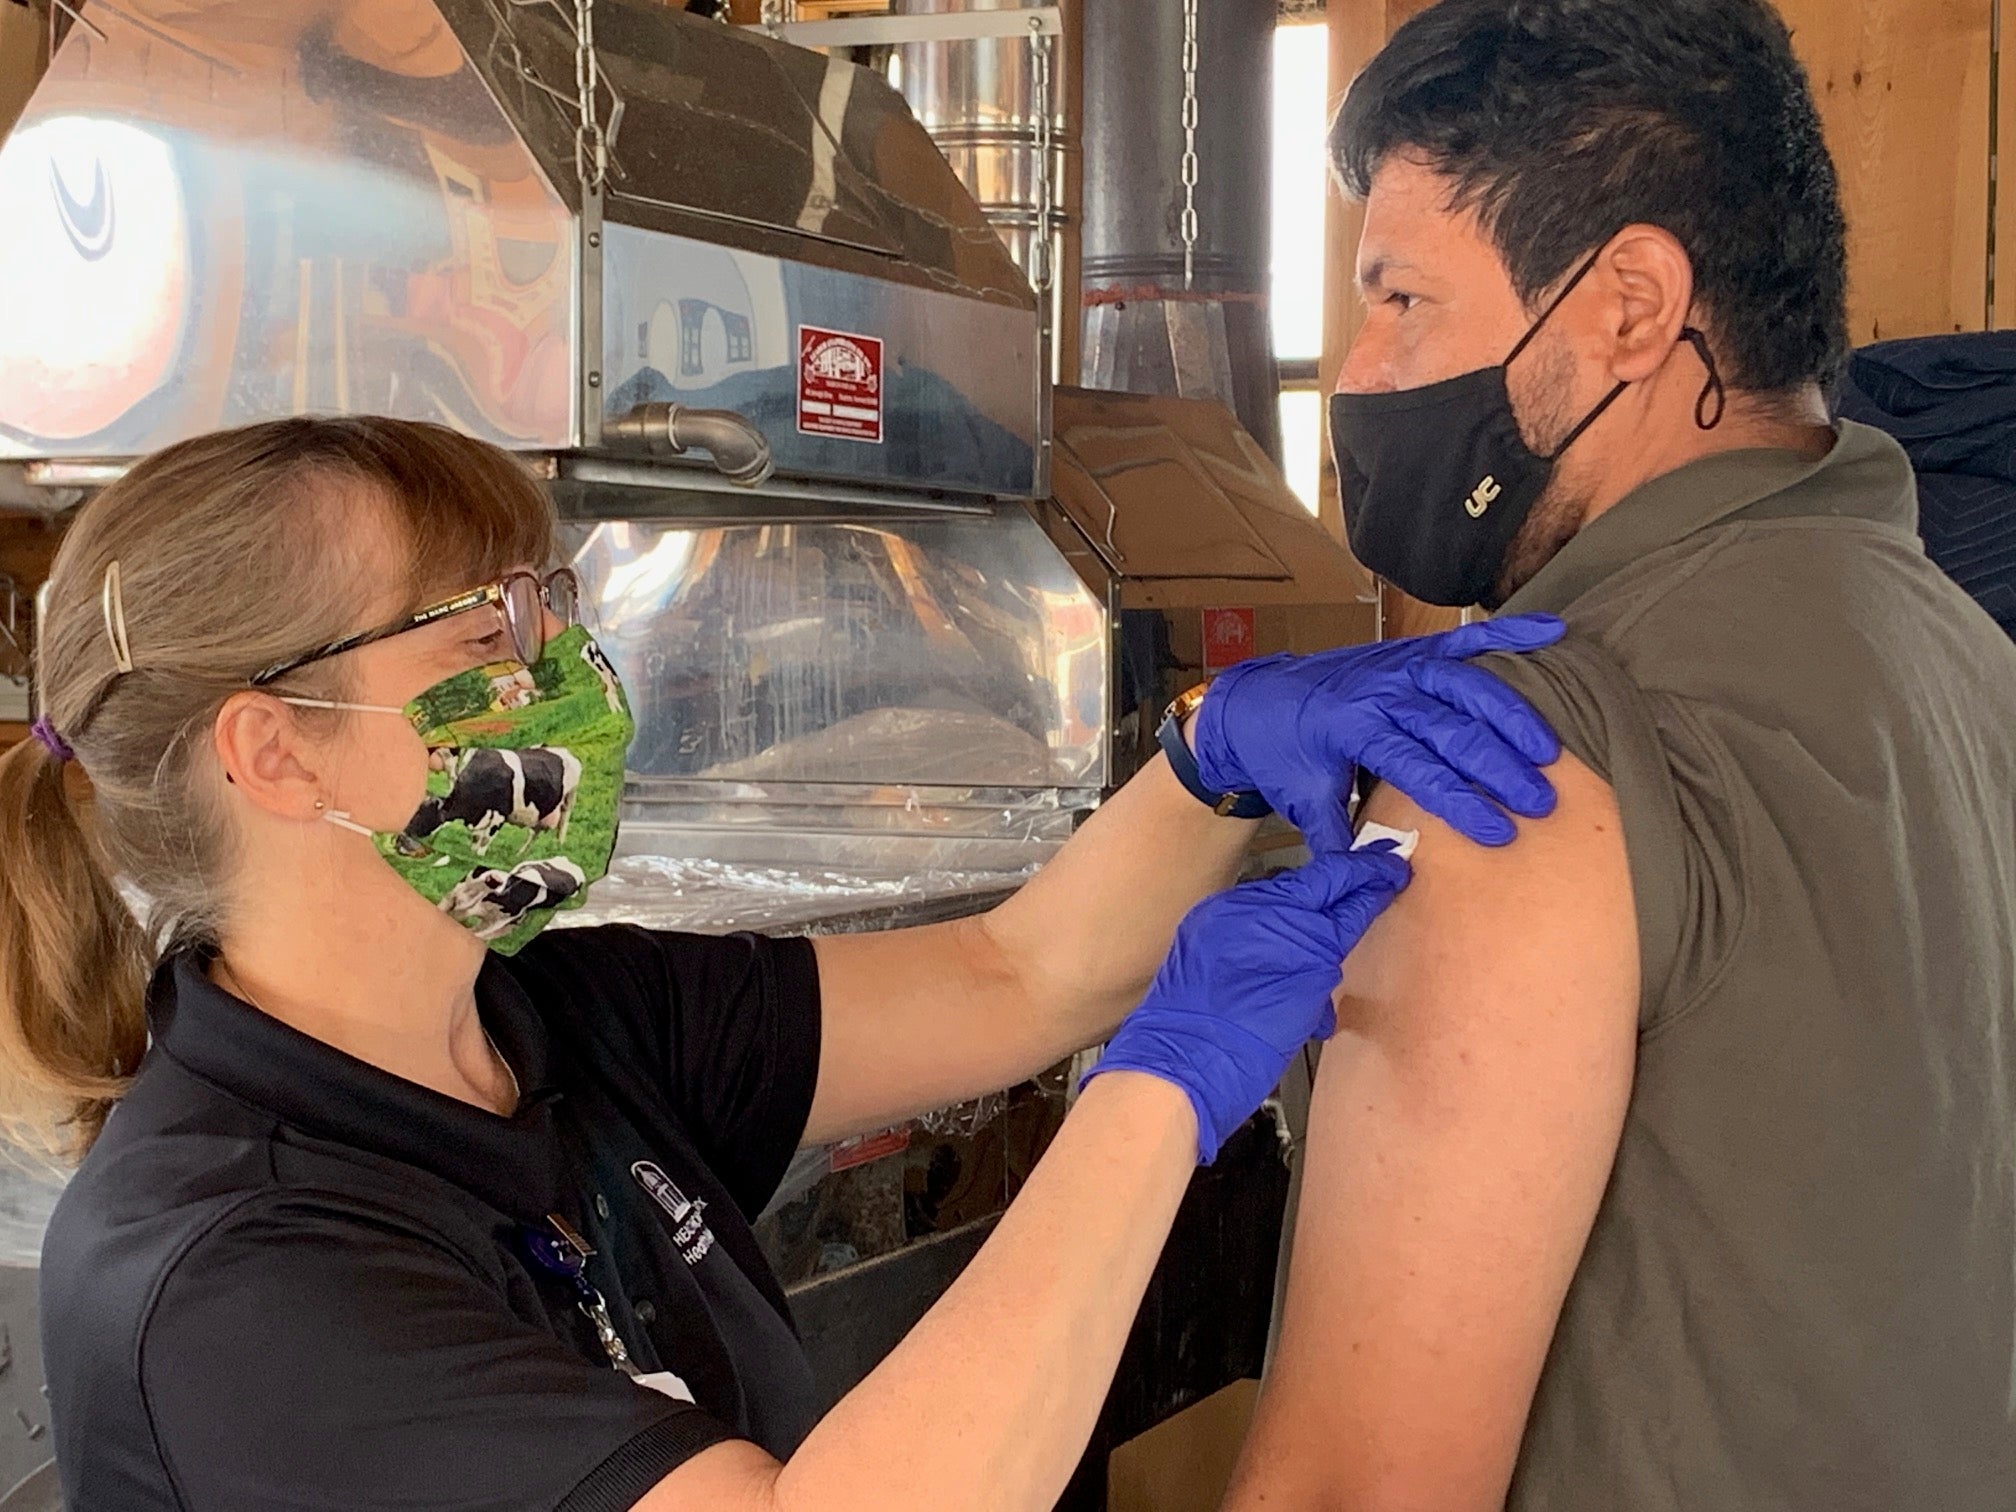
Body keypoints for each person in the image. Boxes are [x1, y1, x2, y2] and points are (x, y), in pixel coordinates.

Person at [0, 416, 1564, 1511]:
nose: (566, 675)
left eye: (549, 611)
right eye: (485, 641)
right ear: (276, 753)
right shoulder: (233, 1277)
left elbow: (1017, 975)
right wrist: (1156, 1094)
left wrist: (1208, 761)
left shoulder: (561, 1020)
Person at [1225, 3, 2016, 1510]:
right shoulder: (1968, 656)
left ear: (1631, 309)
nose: (1365, 371)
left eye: (1403, 300)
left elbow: (1353, 1490)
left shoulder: (1506, 763)